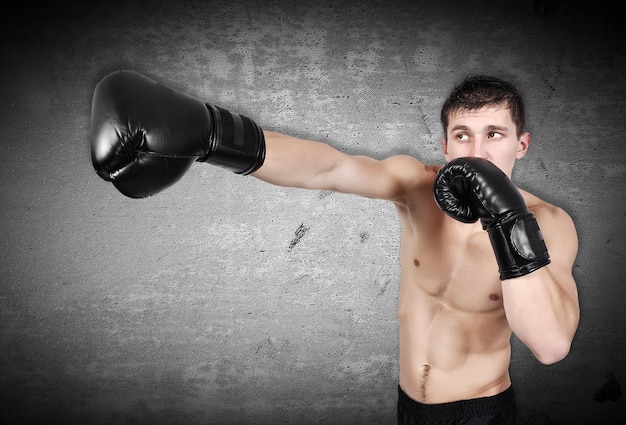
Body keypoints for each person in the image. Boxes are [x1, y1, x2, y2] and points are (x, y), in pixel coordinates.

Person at [90, 70, 580, 424]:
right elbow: (331, 168)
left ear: (522, 144)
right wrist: (213, 133)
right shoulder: (416, 187)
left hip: (482, 413)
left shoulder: (551, 225)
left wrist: (507, 217)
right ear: (445, 145)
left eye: (494, 135)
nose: (477, 154)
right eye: (462, 136)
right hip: (408, 406)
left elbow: (551, 345)